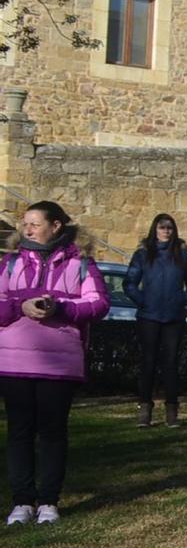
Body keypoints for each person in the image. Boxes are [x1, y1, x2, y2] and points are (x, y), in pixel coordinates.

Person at [2, 201, 110, 526]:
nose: (27, 229)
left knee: (52, 433)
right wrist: (23, 306)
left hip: (59, 365)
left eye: (34, 223)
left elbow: (99, 303)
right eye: (25, 224)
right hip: (13, 362)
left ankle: (48, 501)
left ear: (56, 226)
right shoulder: (9, 264)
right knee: (19, 433)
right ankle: (21, 501)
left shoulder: (80, 266)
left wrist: (59, 307)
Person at [124, 212, 187, 427]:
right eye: (162, 227)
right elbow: (130, 283)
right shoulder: (143, 254)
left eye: (169, 227)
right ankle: (145, 409)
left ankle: (172, 410)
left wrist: (182, 300)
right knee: (147, 362)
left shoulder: (183, 255)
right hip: (149, 316)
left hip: (174, 316)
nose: (166, 231)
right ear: (155, 229)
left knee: (171, 363)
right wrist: (143, 300)